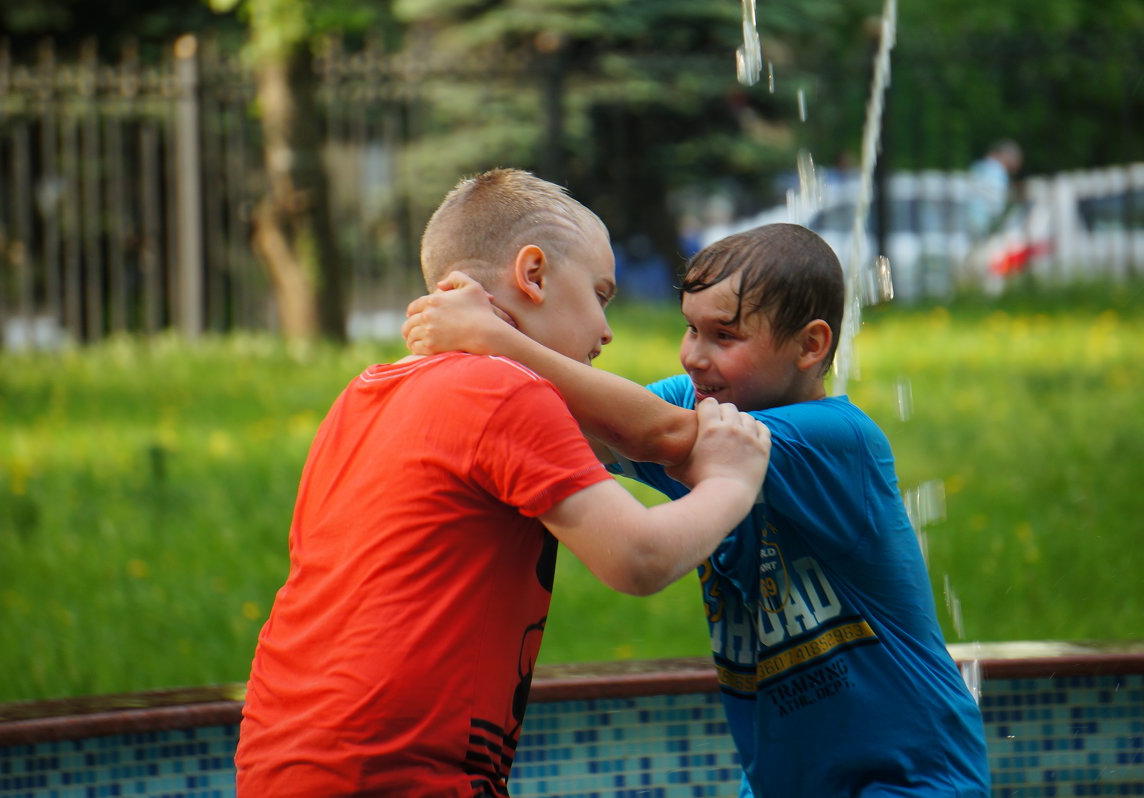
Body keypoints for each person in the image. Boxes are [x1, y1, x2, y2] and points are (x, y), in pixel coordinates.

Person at [403, 222, 991, 797]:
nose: (692, 356)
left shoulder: (836, 439)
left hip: (912, 777)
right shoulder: (704, 400)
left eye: (724, 337)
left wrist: (497, 340)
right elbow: (587, 428)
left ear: (811, 346)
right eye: (689, 329)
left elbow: (654, 433)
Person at [234, 168, 771, 797]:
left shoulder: (363, 395)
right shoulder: (503, 390)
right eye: (601, 295)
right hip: (392, 773)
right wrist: (732, 484)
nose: (607, 331)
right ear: (534, 275)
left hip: (280, 754)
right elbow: (638, 557)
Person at [968, 138, 1023, 236]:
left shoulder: (978, 167)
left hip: (966, 220)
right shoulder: (998, 173)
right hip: (982, 224)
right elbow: (996, 207)